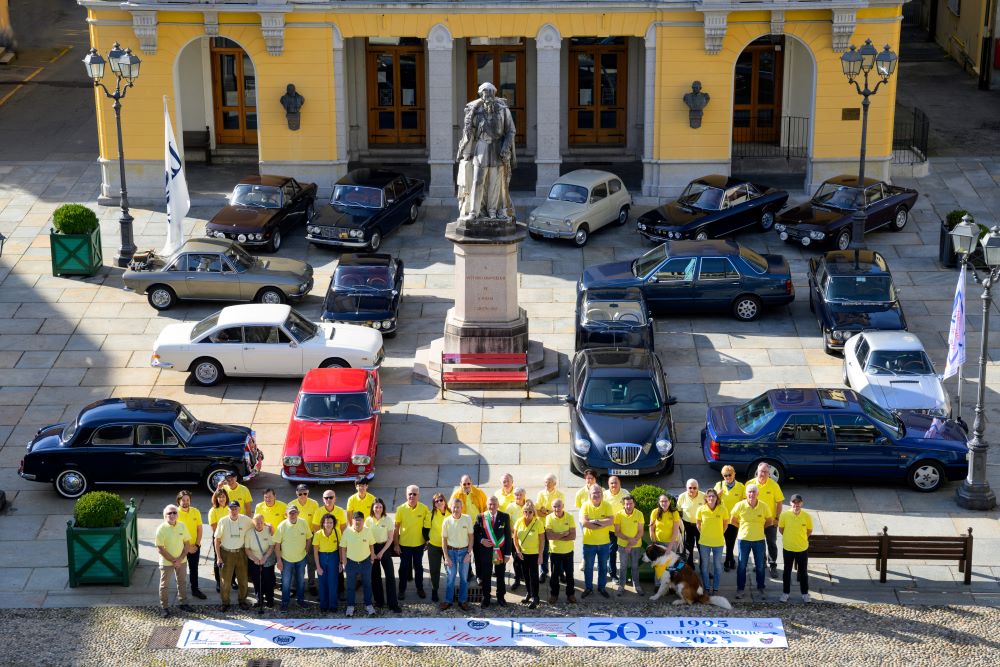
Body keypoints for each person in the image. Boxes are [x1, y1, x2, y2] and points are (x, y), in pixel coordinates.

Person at [730, 483, 773, 600]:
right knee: (742, 566)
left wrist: (759, 529)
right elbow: (732, 520)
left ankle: (761, 588)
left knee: (760, 566)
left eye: (754, 491)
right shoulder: (740, 505)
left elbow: (769, 521)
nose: (751, 494)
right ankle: (740, 589)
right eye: (749, 491)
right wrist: (743, 528)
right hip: (743, 540)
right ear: (746, 493)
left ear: (758, 494)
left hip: (759, 540)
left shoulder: (764, 506)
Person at [473, 495, 512, 609]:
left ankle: (501, 597)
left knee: (500, 575)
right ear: (487, 505)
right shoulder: (481, 517)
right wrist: (481, 540)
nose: (492, 506)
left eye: (494, 504)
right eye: (490, 504)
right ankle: (486, 598)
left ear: (498, 505)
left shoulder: (504, 516)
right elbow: (475, 532)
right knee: (486, 575)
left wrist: (507, 554)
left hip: (500, 551)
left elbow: (508, 536)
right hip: (486, 552)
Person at [214, 500, 253, 612]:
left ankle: (242, 600)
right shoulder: (223, 521)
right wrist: (219, 557)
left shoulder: (245, 519)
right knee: (225, 581)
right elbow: (216, 540)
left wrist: (267, 525)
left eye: (236, 508)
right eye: (231, 508)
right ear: (228, 510)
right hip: (226, 553)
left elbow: (256, 523)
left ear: (239, 509)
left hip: (241, 552)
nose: (234, 511)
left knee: (243, 579)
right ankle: (225, 602)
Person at [155, 504, 193, 617]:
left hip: (182, 561)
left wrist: (180, 559)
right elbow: (160, 548)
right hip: (166, 563)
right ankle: (164, 607)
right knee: (164, 585)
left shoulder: (182, 526)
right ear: (165, 516)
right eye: (169, 513)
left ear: (177, 514)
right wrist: (173, 560)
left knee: (182, 582)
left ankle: (183, 603)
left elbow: (187, 543)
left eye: (174, 512)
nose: (172, 515)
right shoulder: (161, 529)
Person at [394, 485, 430, 600]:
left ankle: (420, 588)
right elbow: (396, 528)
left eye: (414, 494)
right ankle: (401, 590)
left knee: (418, 567)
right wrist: (396, 544)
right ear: (406, 494)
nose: (412, 496)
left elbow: (428, 527)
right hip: (404, 545)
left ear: (418, 495)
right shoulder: (400, 509)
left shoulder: (424, 509)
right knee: (403, 568)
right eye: (410, 494)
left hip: (419, 545)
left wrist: (427, 541)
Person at [749, 462, 785, 578]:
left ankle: (773, 565)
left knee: (771, 543)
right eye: (761, 472)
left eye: (765, 472)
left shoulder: (774, 485)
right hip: (756, 521)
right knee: (759, 543)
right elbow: (746, 502)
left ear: (769, 474)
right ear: (757, 472)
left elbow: (779, 502)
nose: (763, 474)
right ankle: (761, 563)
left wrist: (777, 518)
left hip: (770, 521)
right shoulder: (750, 484)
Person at [274, 504, 312, 611]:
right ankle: (285, 603)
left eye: (295, 512)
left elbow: (309, 538)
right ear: (286, 514)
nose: (293, 515)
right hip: (286, 560)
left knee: (300, 581)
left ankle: (301, 601)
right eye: (290, 513)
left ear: (298, 513)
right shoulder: (282, 526)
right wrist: (278, 560)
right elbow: (277, 544)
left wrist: (306, 551)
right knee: (286, 583)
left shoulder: (303, 523)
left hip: (301, 558)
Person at [580, 486, 614, 599]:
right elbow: (585, 523)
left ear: (602, 494)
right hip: (589, 543)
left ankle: (602, 587)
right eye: (594, 493)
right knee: (588, 567)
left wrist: (596, 522)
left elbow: (611, 520)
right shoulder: (585, 505)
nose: (597, 495)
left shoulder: (607, 505)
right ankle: (588, 588)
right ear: (590, 495)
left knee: (603, 567)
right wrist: (601, 524)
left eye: (599, 492)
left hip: (604, 543)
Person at [367, 498, 400, 613]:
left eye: (380, 507)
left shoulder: (387, 520)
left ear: (383, 508)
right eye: (376, 507)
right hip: (372, 548)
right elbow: (366, 538)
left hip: (385, 548)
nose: (378, 509)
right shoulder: (368, 521)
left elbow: (391, 538)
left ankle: (393, 604)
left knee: (390, 576)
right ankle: (379, 601)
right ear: (372, 508)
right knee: (375, 577)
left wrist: (381, 552)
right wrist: (373, 553)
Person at [778, 493, 813, 603]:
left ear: (801, 504)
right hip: (788, 548)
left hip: (802, 549)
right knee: (787, 571)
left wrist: (801, 539)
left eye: (798, 503)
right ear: (790, 503)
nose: (796, 505)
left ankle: (805, 594)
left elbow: (809, 531)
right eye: (794, 502)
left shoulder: (807, 516)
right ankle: (785, 593)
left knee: (803, 572)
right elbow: (781, 529)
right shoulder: (784, 515)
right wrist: (790, 538)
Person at [340, 511, 376, 617]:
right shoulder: (347, 532)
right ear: (352, 520)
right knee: (350, 586)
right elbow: (343, 548)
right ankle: (350, 606)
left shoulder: (368, 531)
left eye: (360, 520)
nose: (358, 522)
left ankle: (368, 605)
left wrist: (372, 558)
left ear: (363, 521)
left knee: (367, 585)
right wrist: (344, 562)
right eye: (356, 519)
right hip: (351, 563)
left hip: (365, 562)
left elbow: (371, 545)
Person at [441, 496, 474, 611]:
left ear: (462, 508)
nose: (456, 509)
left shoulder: (467, 519)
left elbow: (471, 537)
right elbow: (444, 540)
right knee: (451, 577)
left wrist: (469, 553)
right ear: (451, 507)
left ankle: (462, 601)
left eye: (458, 507)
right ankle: (448, 600)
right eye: (454, 507)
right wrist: (446, 557)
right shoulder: (446, 521)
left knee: (464, 578)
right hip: (451, 552)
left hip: (464, 551)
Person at [314, 489, 348, 602]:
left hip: (336, 544)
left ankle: (340, 591)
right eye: (326, 498)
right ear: (323, 499)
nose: (329, 499)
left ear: (335, 498)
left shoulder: (340, 511)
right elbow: (315, 529)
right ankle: (324, 594)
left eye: (331, 497)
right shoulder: (318, 512)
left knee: (338, 570)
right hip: (323, 545)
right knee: (323, 572)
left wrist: (343, 547)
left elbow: (343, 529)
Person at [512, 500, 545, 609]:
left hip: (534, 554)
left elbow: (542, 541)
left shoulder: (538, 523)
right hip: (522, 554)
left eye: (530, 512)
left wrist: (540, 555)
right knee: (525, 575)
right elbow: (515, 537)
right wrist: (518, 551)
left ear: (533, 512)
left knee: (534, 576)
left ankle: (536, 597)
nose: (527, 514)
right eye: (525, 511)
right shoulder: (519, 521)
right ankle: (529, 593)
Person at [288, 484, 321, 595]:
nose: (303, 495)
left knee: (311, 562)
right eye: (300, 494)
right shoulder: (291, 505)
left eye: (305, 493)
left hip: (310, 536)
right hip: (296, 537)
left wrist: (316, 538)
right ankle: (294, 586)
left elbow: (316, 522)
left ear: (308, 493)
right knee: (295, 562)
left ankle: (311, 584)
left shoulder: (314, 504)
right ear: (296, 493)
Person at [696, 488, 728, 596]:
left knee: (717, 566)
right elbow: (698, 523)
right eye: (709, 496)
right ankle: (706, 587)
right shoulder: (701, 509)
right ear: (706, 498)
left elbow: (725, 524)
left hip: (718, 543)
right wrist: (704, 533)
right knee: (704, 566)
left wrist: (719, 533)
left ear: (716, 498)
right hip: (704, 542)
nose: (711, 498)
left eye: (713, 496)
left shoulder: (722, 509)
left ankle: (715, 587)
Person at [176, 490, 207, 600]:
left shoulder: (196, 512)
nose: (185, 502)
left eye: (187, 500)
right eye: (183, 500)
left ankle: (195, 590)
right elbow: (175, 534)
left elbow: (199, 529)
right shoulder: (175, 514)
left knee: (194, 569)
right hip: (181, 548)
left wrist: (197, 545)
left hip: (194, 547)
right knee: (181, 572)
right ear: (179, 501)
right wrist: (187, 548)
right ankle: (181, 592)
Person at [545, 499, 577, 604]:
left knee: (569, 575)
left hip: (568, 552)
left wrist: (557, 535)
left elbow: (573, 535)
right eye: (554, 506)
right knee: (554, 575)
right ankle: (554, 595)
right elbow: (549, 536)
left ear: (563, 506)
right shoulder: (549, 518)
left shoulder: (570, 517)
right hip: (555, 552)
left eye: (558, 506)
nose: (556, 509)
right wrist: (564, 533)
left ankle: (570, 594)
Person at [714, 465, 746, 572]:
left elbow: (744, 504)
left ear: (734, 474)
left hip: (733, 519)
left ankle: (728, 561)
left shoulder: (741, 487)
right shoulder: (718, 485)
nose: (728, 477)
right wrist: (717, 495)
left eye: (730, 475)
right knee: (721, 541)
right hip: (720, 519)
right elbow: (711, 501)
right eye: (725, 475)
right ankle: (731, 560)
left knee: (730, 542)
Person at [535, 474, 564, 584]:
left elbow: (559, 512)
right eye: (545, 482)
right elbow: (537, 511)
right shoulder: (540, 494)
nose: (547, 484)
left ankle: (560, 572)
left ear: (555, 483)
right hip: (543, 527)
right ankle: (544, 571)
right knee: (543, 549)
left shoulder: (560, 495)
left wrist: (545, 511)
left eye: (549, 482)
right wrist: (550, 512)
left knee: (557, 550)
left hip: (556, 526)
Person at [613, 494, 644, 596]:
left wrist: (630, 544)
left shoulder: (639, 514)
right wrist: (629, 540)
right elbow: (617, 532)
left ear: (634, 504)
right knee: (623, 566)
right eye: (626, 504)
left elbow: (640, 532)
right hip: (622, 545)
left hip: (636, 545)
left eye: (631, 503)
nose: (629, 506)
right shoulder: (618, 515)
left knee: (635, 566)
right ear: (623, 505)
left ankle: (637, 585)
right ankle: (621, 586)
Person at [245, 513, 276, 611]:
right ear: (253, 523)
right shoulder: (249, 533)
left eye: (261, 522)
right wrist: (254, 559)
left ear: (264, 522)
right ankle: (259, 599)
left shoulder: (268, 531)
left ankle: (270, 599)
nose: (259, 524)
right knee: (256, 580)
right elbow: (247, 549)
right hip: (254, 559)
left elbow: (271, 546)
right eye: (257, 522)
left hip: (266, 558)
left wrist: (265, 557)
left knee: (268, 580)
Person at [312, 513, 340, 612]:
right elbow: (315, 552)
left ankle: (333, 605)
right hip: (322, 557)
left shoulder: (337, 532)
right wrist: (318, 566)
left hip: (334, 557)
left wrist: (340, 562)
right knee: (322, 582)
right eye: (327, 522)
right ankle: (323, 605)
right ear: (323, 523)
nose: (329, 524)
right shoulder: (318, 534)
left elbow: (340, 548)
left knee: (333, 582)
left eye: (331, 522)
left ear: (334, 523)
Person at [207, 488, 232, 593]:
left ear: (226, 497)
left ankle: (232, 581)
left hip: (231, 537)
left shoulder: (230, 508)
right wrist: (220, 538)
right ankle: (218, 582)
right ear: (216, 499)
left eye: (223, 496)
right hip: (219, 538)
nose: (221, 499)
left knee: (231, 559)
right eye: (219, 497)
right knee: (218, 558)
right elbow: (214, 526)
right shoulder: (213, 510)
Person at [426, 492, 449, 603]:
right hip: (434, 546)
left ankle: (450, 591)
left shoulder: (452, 513)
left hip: (449, 547)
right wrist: (427, 540)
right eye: (436, 501)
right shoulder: (430, 514)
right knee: (434, 570)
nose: (439, 502)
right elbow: (425, 530)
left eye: (441, 500)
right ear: (434, 504)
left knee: (450, 570)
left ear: (444, 501)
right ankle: (435, 590)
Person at [677, 479, 706, 565]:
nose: (692, 490)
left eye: (694, 488)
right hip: (687, 525)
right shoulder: (682, 497)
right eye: (690, 488)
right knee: (689, 548)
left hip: (700, 525)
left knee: (702, 548)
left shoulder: (704, 496)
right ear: (686, 488)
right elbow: (679, 512)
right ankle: (690, 566)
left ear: (698, 488)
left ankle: (703, 568)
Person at [605, 476, 627, 582]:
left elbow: (629, 509)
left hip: (623, 529)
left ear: (620, 483)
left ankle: (626, 574)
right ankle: (613, 574)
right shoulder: (604, 494)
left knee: (624, 552)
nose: (614, 485)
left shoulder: (625, 493)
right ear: (608, 484)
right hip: (609, 529)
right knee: (611, 552)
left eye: (615, 483)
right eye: (611, 483)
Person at [506, 487, 527, 591]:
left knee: (526, 559)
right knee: (517, 559)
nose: (518, 497)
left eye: (520, 495)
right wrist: (514, 534)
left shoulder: (528, 506)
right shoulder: (510, 507)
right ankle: (517, 579)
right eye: (516, 495)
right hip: (514, 538)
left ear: (524, 495)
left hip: (527, 538)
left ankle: (525, 576)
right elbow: (508, 522)